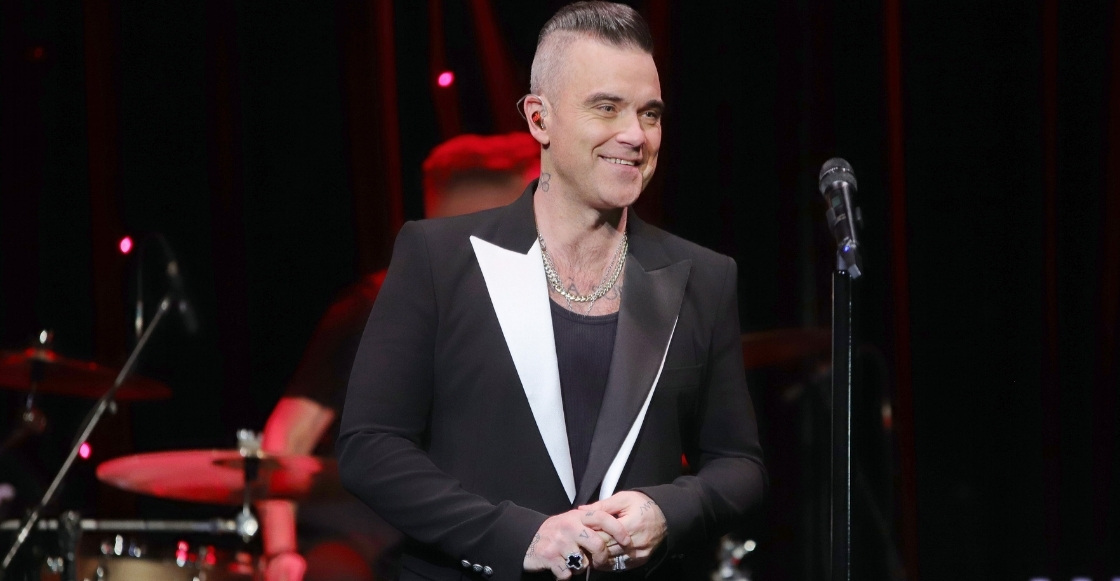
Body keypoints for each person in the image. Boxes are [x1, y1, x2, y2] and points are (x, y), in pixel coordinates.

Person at [337, 2, 767, 580]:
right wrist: (518, 538)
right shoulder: (438, 258)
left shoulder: (704, 277)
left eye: (650, 114)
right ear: (540, 119)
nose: (635, 135)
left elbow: (739, 464)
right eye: (606, 108)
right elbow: (370, 447)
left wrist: (668, 511)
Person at [259, 132, 542, 581]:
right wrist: (281, 553)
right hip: (363, 540)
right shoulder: (375, 306)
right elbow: (284, 441)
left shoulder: (541, 315)